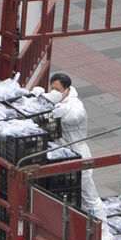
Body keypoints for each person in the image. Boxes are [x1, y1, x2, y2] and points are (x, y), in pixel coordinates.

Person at [43, 72, 108, 222]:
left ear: (67, 89)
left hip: (77, 153)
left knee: (88, 194)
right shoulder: (54, 100)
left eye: (58, 90)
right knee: (69, 194)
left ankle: (101, 230)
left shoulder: (75, 105)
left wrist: (63, 112)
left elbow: (75, 117)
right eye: (52, 88)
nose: (54, 92)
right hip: (61, 154)